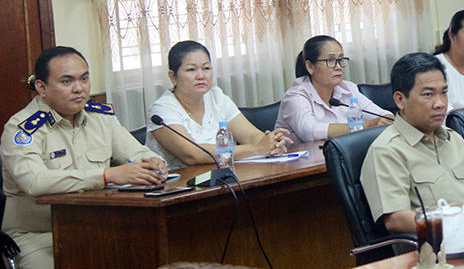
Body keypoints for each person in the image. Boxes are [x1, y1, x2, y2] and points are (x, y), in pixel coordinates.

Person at [1, 46, 168, 269]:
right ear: (41, 87)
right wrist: (106, 176)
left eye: (84, 78)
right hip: (39, 234)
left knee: (151, 254)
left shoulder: (100, 117)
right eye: (67, 81)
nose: (79, 88)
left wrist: (155, 163)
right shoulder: (22, 129)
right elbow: (34, 182)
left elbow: (138, 153)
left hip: (99, 226)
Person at [360, 53, 464, 234]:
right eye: (428, 94)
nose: (440, 103)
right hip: (436, 245)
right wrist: (457, 221)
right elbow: (396, 219)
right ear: (400, 100)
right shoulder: (387, 150)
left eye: (444, 93)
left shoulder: (454, 139)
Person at [147, 41, 291, 170]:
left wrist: (271, 143)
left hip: (225, 179)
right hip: (181, 186)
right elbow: (192, 154)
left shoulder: (217, 97)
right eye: (191, 69)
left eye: (206, 68)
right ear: (173, 77)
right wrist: (257, 148)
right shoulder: (162, 110)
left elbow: (251, 135)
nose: (201, 75)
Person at [275, 35, 393, 143]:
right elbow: (310, 131)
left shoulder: (348, 88)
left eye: (341, 60)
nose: (338, 67)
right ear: (310, 67)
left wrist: (385, 120)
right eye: (330, 60)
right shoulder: (296, 96)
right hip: (302, 159)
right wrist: (366, 125)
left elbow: (383, 115)